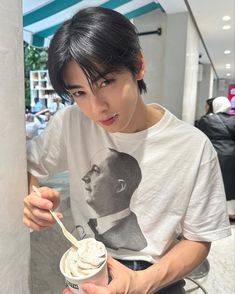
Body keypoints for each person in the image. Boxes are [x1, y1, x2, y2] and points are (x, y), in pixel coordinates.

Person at [23, 7, 231, 294]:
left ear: (138, 65)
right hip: (87, 271)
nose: (96, 108)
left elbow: (199, 239)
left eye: (106, 82)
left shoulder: (193, 147)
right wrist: (34, 199)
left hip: (158, 278)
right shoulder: (71, 123)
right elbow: (25, 168)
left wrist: (141, 283)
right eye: (79, 92)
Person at [82, 148, 147, 251]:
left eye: (96, 171)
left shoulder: (133, 239)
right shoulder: (96, 224)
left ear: (119, 186)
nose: (85, 177)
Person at [196, 96, 235, 222]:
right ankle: (232, 212)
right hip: (232, 155)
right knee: (231, 184)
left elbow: (198, 134)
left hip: (214, 154)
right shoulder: (233, 120)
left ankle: (215, 213)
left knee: (214, 183)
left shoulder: (206, 120)